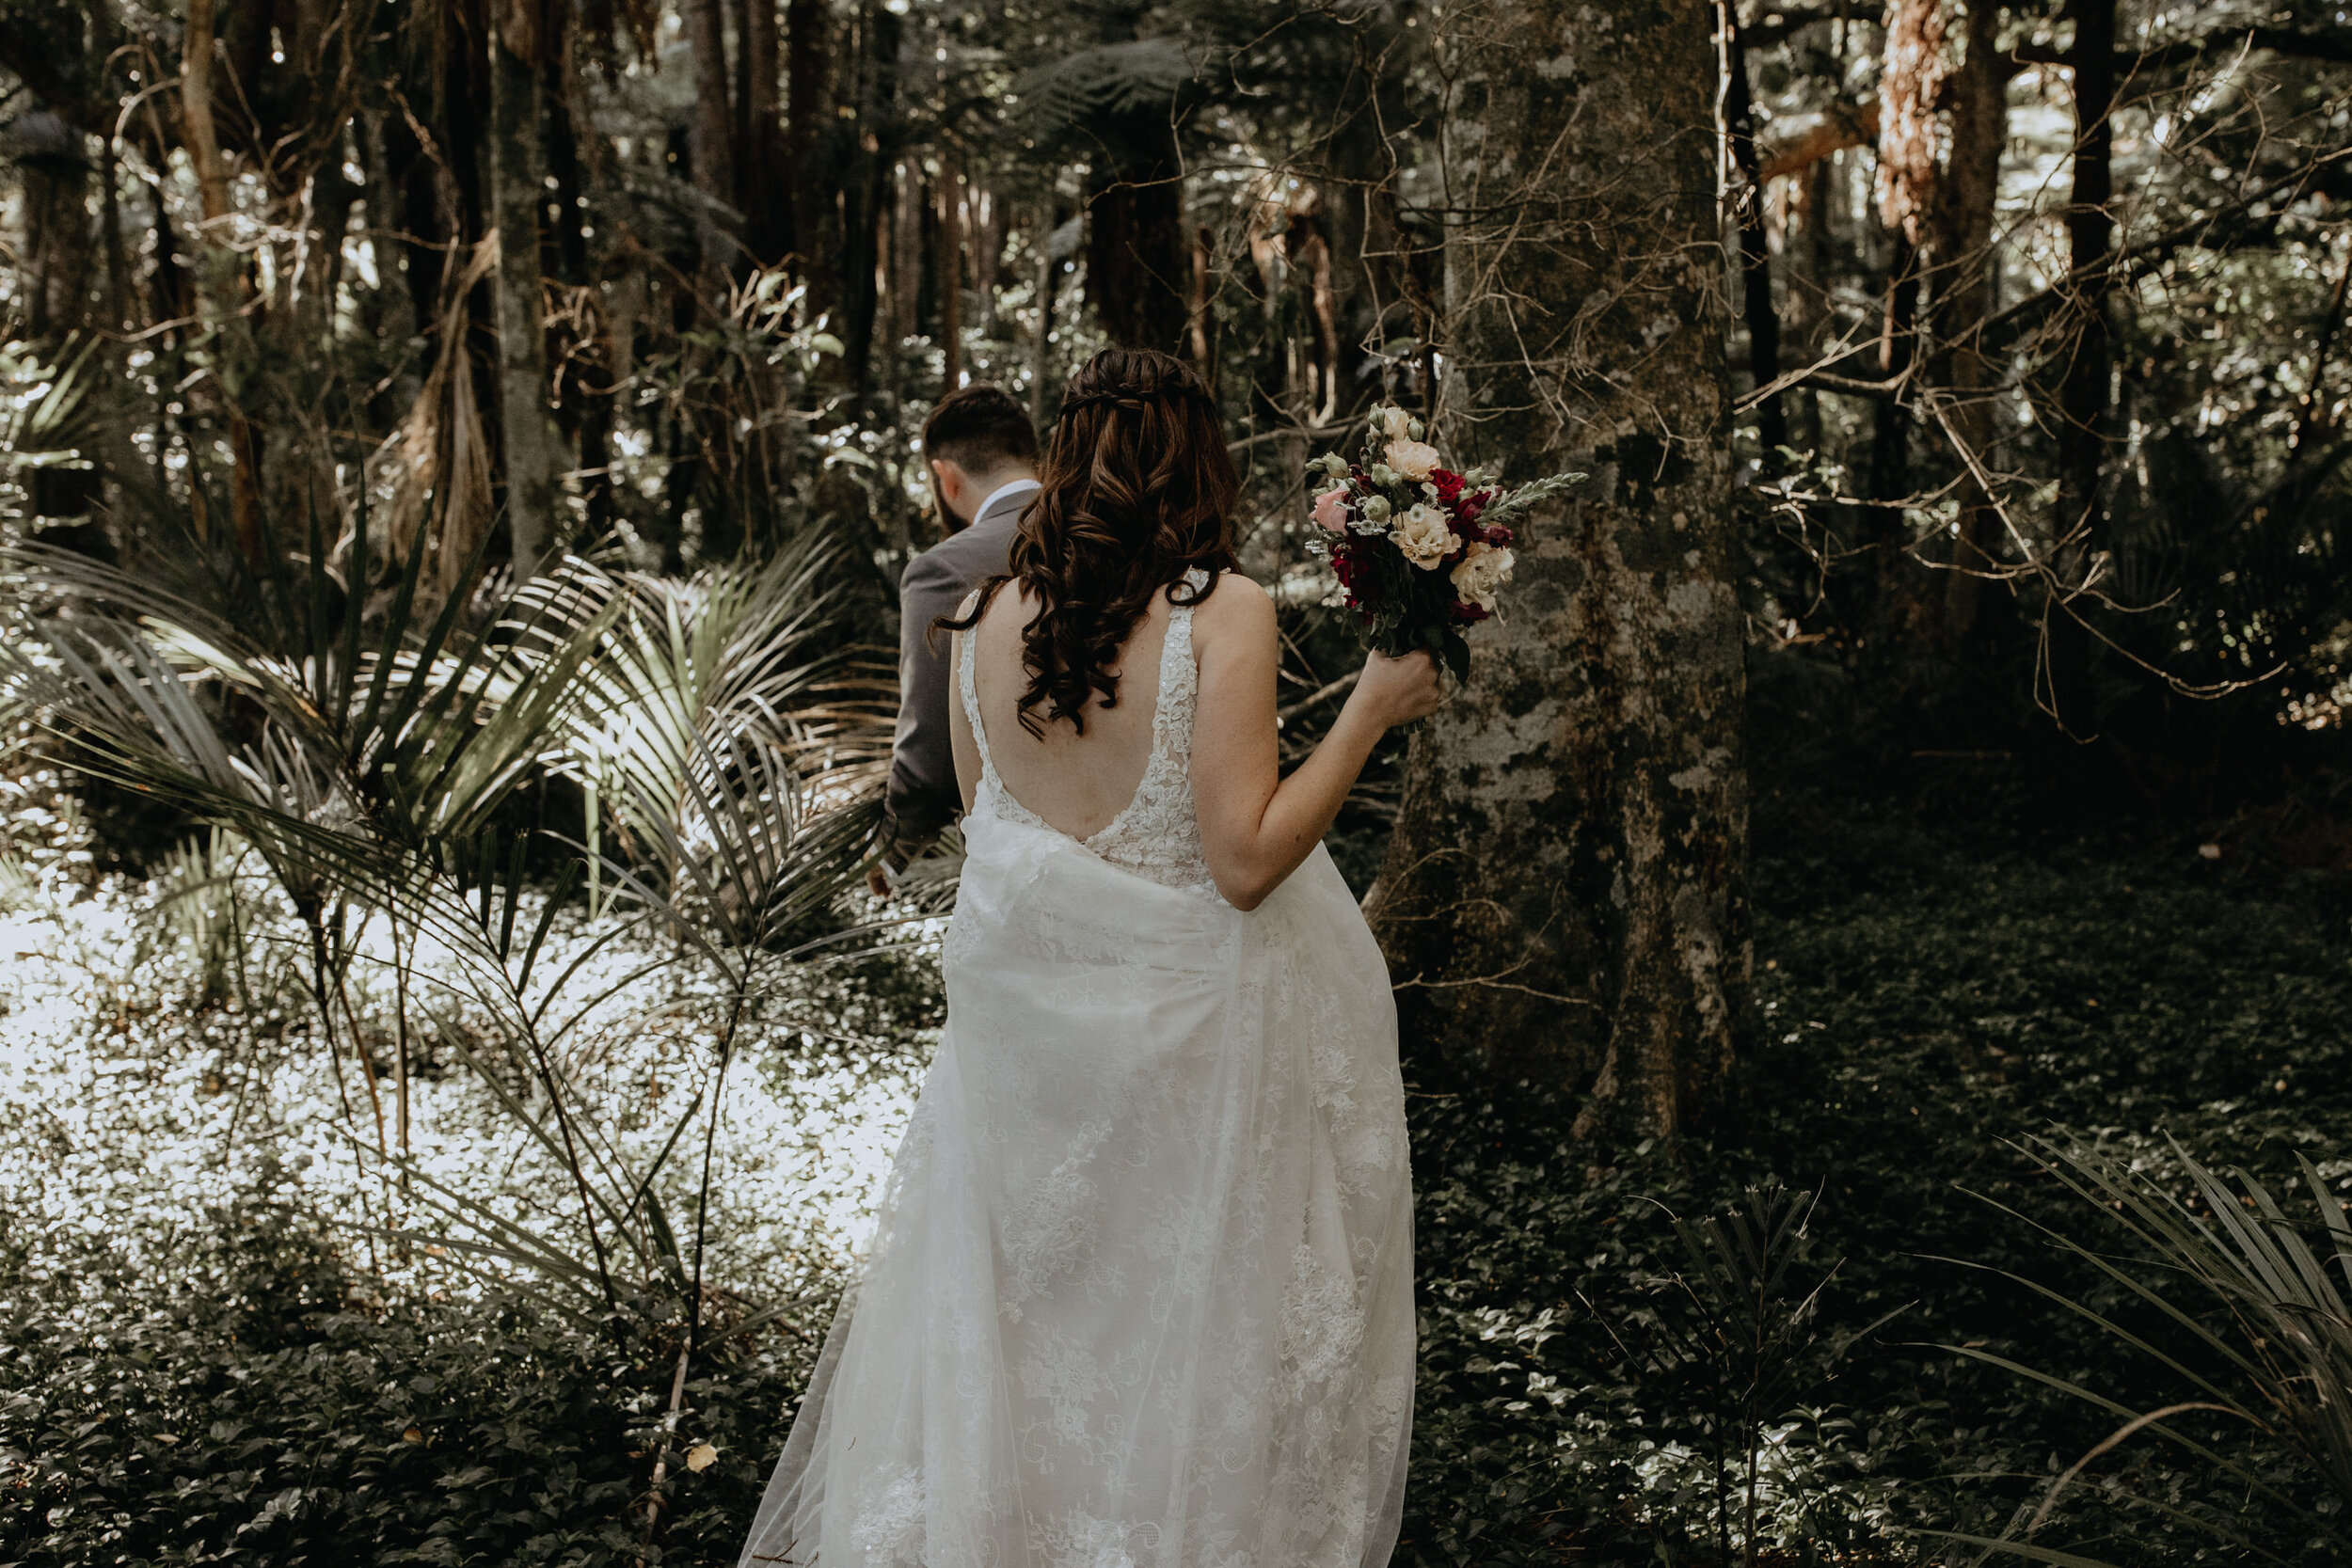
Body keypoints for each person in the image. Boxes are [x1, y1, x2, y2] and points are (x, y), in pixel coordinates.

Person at [742, 349, 1440, 1568]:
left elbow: (990, 836)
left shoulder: (972, 620)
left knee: (1027, 1342)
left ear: (1068, 463)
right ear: (1199, 461)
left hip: (1021, 1079)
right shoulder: (1226, 610)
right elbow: (1243, 860)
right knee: (1167, 1350)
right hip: (1187, 1074)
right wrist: (1371, 708)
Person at [870, 384, 1042, 895]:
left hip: (1019, 873)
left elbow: (932, 754)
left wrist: (892, 848)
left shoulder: (944, 571)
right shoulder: (1116, 538)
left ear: (945, 477)